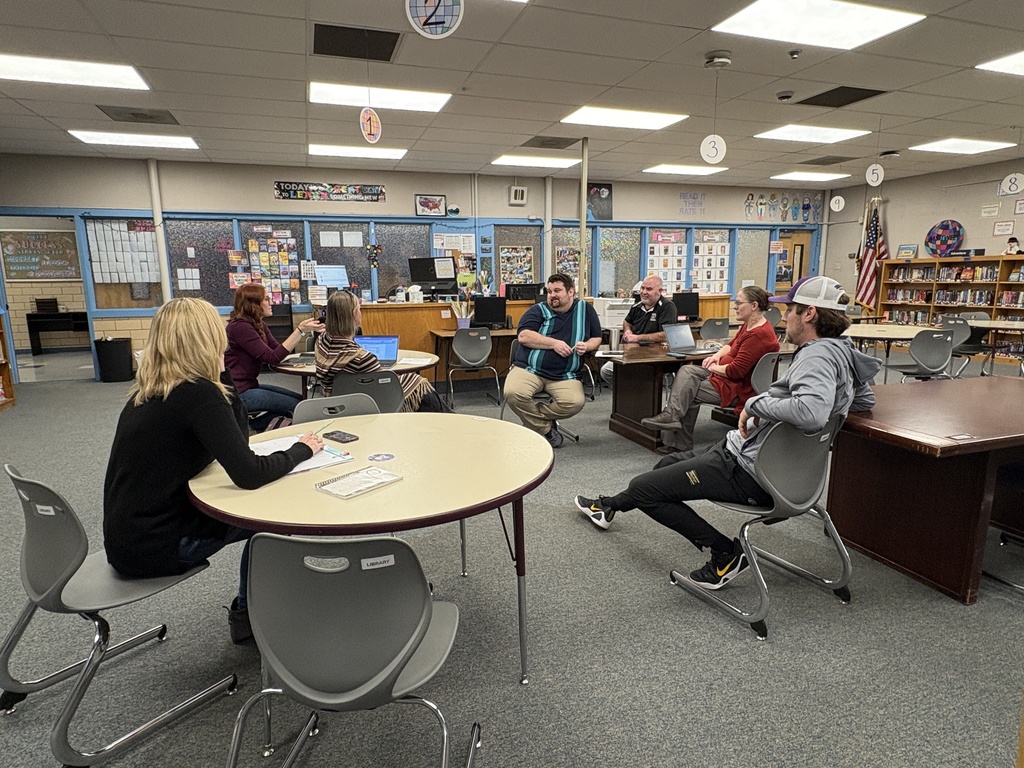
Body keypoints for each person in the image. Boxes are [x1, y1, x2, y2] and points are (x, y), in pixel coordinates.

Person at [574, 276, 880, 590]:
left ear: (810, 314)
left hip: (747, 471)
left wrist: (757, 404)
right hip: (784, 474)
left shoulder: (816, 355)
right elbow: (865, 399)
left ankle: (725, 554)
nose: (785, 316)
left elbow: (812, 413)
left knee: (645, 488)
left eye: (790, 309)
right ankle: (608, 505)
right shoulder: (843, 351)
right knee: (665, 467)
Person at [103, 298, 325, 643]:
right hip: (161, 546)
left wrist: (221, 375)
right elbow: (248, 471)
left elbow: (238, 438)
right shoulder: (198, 394)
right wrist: (301, 450)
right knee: (272, 518)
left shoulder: (149, 389)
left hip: (128, 539)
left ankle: (252, 611)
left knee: (260, 508)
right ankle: (250, 616)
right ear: (206, 339)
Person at [641, 285, 779, 455]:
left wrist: (713, 367)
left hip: (737, 387)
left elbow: (735, 371)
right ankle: (672, 417)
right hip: (724, 377)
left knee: (687, 390)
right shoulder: (749, 325)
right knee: (687, 371)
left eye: (738, 303)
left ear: (754, 306)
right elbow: (731, 345)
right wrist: (716, 356)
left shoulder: (759, 334)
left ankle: (677, 440)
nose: (734, 306)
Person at [504, 273, 602, 448]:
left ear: (571, 292)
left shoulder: (585, 310)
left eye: (557, 290)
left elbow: (597, 337)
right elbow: (524, 336)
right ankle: (545, 429)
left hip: (566, 374)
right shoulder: (538, 310)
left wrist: (586, 346)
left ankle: (532, 421)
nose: (552, 295)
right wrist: (554, 344)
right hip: (529, 368)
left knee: (575, 403)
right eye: (549, 291)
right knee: (513, 393)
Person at [315, 289, 447, 411]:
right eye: (359, 309)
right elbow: (383, 388)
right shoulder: (362, 358)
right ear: (353, 315)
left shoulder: (321, 342)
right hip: (368, 406)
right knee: (421, 387)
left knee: (414, 382)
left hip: (334, 403)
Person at [224, 283, 323, 430]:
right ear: (254, 304)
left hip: (250, 385)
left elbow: (278, 350)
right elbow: (272, 357)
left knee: (301, 401)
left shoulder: (258, 324)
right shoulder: (240, 327)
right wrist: (300, 330)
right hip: (240, 392)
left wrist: (302, 331)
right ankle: (249, 427)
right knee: (299, 407)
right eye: (267, 299)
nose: (271, 303)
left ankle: (254, 425)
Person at [599, 275, 677, 386]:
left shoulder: (667, 307)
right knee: (607, 371)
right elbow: (627, 321)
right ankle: (631, 394)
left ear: (659, 291)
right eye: (642, 288)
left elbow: (665, 335)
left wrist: (637, 338)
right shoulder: (637, 306)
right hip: (632, 352)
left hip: (654, 355)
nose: (644, 292)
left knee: (637, 374)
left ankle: (638, 393)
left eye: (649, 289)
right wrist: (627, 331)